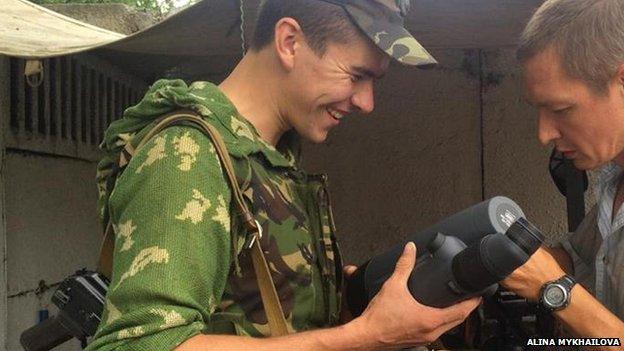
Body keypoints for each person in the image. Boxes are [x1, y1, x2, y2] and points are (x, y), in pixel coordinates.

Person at [85, 0, 480, 350]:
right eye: (357, 75)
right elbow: (144, 344)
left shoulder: (271, 155)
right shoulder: (186, 155)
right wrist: (364, 337)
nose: (367, 102)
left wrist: (354, 306)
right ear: (290, 41)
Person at [502, 0, 624, 348]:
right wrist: (492, 259)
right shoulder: (613, 183)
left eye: (560, 109)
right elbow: (577, 257)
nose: (544, 134)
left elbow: (556, 278)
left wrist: (553, 288)